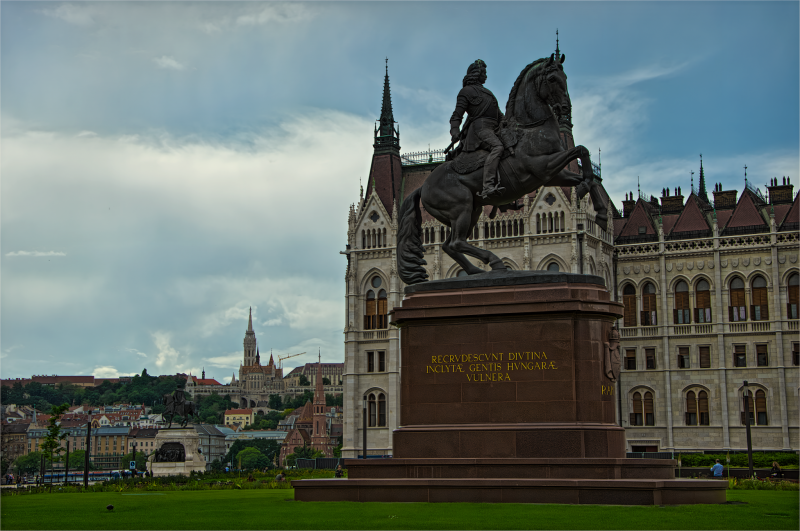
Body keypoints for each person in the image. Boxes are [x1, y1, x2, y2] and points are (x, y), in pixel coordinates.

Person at [450, 59, 506, 199]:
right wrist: (455, 131)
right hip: (480, 130)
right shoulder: (466, 92)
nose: (486, 76)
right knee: (498, 148)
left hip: (495, 128)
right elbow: (457, 116)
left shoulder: (487, 93)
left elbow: (498, 114)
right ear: (476, 73)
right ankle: (487, 186)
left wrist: (508, 122)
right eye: (484, 73)